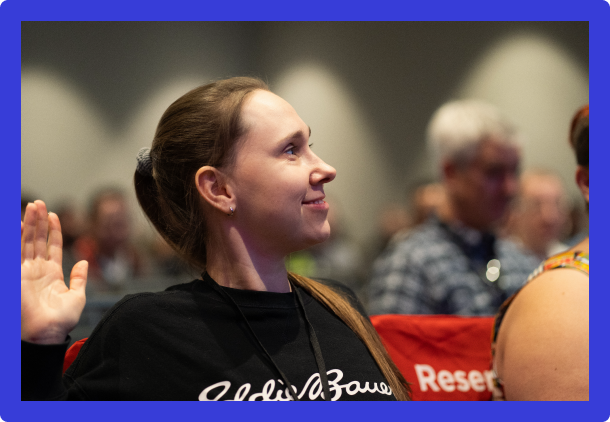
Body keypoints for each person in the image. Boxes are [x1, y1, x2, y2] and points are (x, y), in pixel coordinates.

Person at [21, 76, 410, 401]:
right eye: (291, 150)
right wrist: (40, 344)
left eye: (311, 145)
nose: (326, 169)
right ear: (219, 189)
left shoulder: (340, 305)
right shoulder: (146, 330)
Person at [368, 99, 539, 316]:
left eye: (514, 171)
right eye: (494, 173)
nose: (510, 188)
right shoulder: (410, 265)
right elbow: (388, 350)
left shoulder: (521, 262)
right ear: (451, 173)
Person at [490, 105, 589, 400]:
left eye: (555, 204)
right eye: (537, 206)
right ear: (589, 183)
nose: (548, 217)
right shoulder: (568, 297)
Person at [502, 169, 570, 261]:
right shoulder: (498, 259)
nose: (549, 217)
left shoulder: (572, 260)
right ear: (515, 211)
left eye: (557, 204)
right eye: (536, 206)